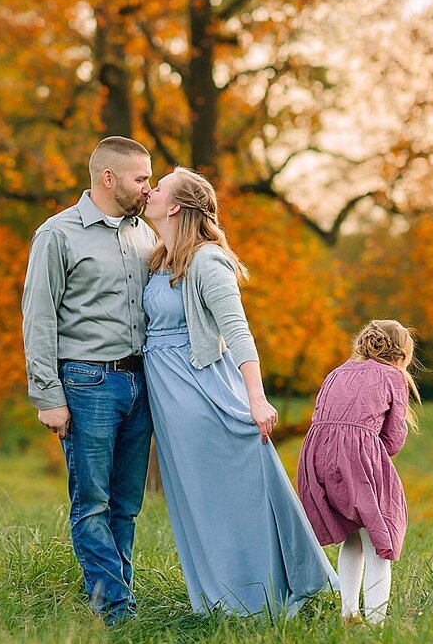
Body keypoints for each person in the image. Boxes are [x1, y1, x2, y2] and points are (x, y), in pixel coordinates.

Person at [140, 166, 337, 618]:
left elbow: (238, 331)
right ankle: (217, 600)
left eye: (159, 187)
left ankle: (254, 600)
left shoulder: (207, 261)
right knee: (196, 502)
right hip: (169, 401)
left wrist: (257, 397)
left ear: (175, 206)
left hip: (201, 394)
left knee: (227, 499)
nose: (149, 190)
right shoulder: (158, 258)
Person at [21, 137, 158, 624]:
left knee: (126, 505)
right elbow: (37, 318)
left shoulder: (145, 235)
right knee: (93, 502)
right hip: (86, 383)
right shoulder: (58, 235)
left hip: (141, 384)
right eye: (140, 179)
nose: (149, 188)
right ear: (108, 178)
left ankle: (117, 597)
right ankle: (116, 612)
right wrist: (48, 396)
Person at [297, 320, 421, 624]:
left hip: (316, 458)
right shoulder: (394, 377)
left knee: (353, 536)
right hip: (356, 461)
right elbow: (392, 440)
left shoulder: (337, 372)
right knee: (381, 542)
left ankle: (348, 614)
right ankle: (376, 623)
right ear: (402, 355)